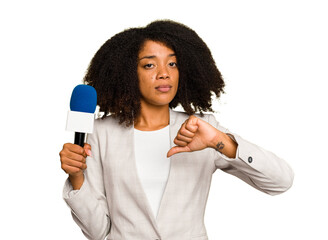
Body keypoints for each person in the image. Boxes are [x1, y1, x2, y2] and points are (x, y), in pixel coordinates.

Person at [59, 20, 294, 240]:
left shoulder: (201, 128)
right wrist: (77, 177)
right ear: (128, 73)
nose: (164, 73)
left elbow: (280, 181)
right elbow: (97, 231)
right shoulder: (102, 133)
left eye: (172, 63)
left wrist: (220, 141)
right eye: (149, 64)